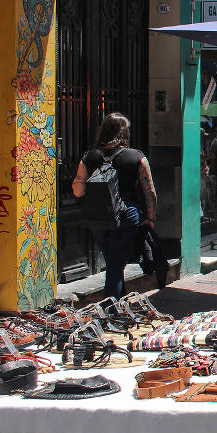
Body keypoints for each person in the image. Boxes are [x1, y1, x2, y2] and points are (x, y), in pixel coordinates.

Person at [72, 112, 158, 300]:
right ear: (125, 133)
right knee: (115, 264)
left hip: (98, 217)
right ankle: (110, 308)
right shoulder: (137, 157)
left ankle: (118, 302)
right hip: (127, 216)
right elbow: (150, 191)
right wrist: (151, 217)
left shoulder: (90, 156)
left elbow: (78, 190)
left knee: (113, 260)